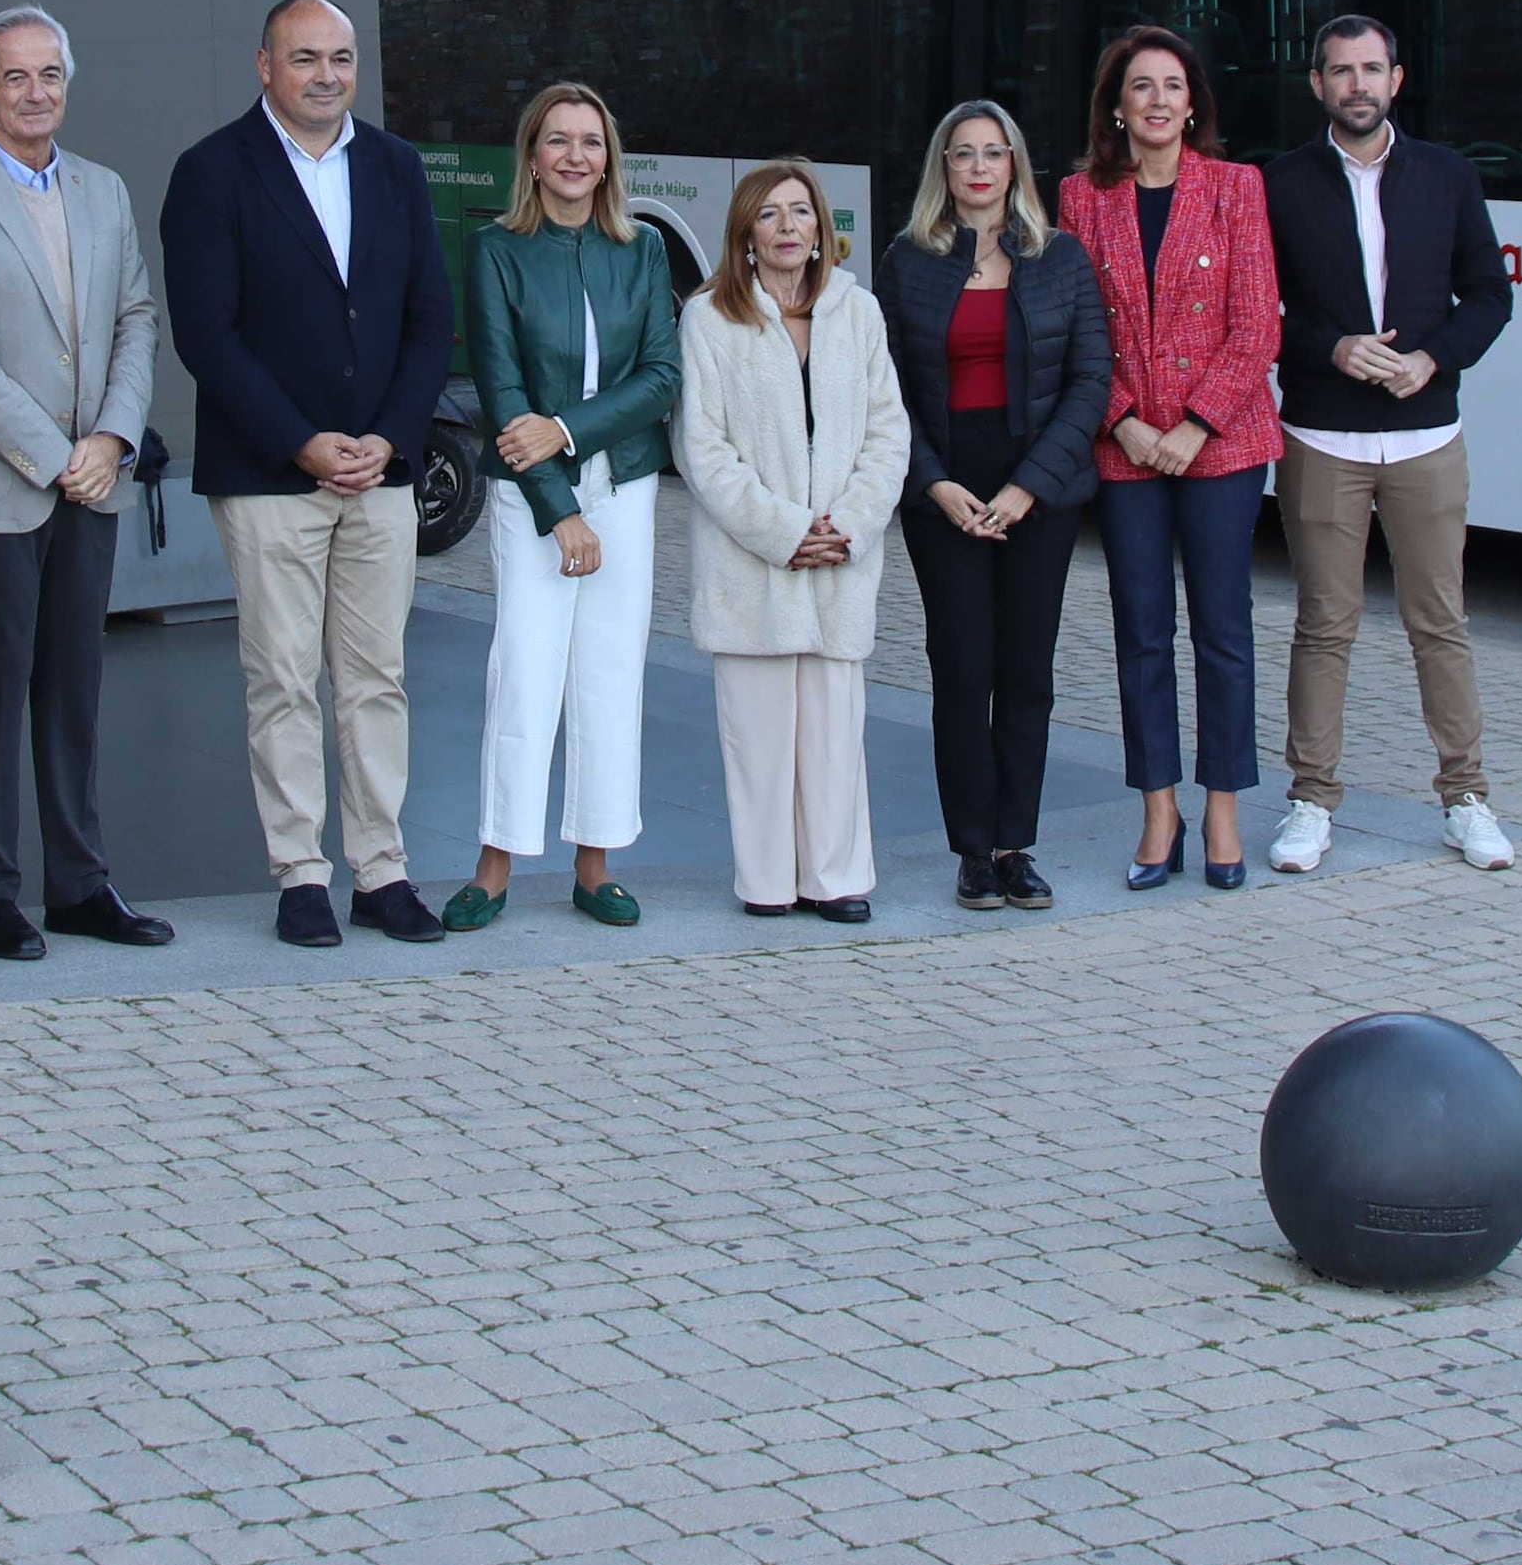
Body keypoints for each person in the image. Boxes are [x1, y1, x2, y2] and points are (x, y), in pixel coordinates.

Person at [161, 0, 455, 950]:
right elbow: (208, 333)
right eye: (304, 58)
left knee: (377, 676)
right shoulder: (211, 172)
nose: (325, 74)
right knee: (283, 677)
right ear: (263, 66)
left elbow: (426, 317)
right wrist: (301, 441)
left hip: (381, 471)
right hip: (270, 473)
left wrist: (391, 436)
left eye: (340, 57)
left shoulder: (396, 165)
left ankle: (382, 869)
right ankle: (301, 874)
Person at [0, 5, 173, 961]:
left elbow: (137, 317)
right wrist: (57, 454)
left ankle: (79, 883)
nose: (34, 92)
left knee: (73, 690)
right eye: (14, 77)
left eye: (50, 74)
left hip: (92, 480)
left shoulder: (104, 189)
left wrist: (112, 437)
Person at [1262, 14, 1520, 879]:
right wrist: (1330, 347)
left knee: (1439, 622)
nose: (1358, 85)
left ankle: (1466, 796)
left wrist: (1432, 357)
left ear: (1396, 80)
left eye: (1372, 69)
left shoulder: (1446, 175)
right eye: (1341, 71)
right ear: (1317, 84)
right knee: (1324, 626)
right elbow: (1261, 316)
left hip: (1426, 436)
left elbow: (1489, 293)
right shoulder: (1280, 183)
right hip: (1321, 435)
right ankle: (1310, 799)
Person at [1058, 24, 1281, 895]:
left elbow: (1257, 319)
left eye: (1173, 86)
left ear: (1195, 105)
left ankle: (1222, 804)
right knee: (1141, 634)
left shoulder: (1236, 187)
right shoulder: (1083, 197)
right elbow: (1078, 327)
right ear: (1116, 105)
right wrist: (1123, 423)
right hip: (1126, 451)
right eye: (1140, 86)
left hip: (1221, 446)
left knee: (1223, 631)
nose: (1157, 100)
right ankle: (1160, 810)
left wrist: (1194, 423)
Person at [451, 81, 677, 932]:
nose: (576, 155)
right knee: (526, 668)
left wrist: (565, 431)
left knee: (611, 672)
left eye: (591, 140)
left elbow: (661, 376)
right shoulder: (496, 247)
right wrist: (558, 507)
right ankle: (496, 864)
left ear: (608, 156)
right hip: (527, 489)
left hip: (624, 477)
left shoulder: (643, 248)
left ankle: (596, 863)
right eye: (558, 140)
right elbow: (500, 384)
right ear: (532, 156)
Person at [874, 99, 1108, 915]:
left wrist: (1027, 487)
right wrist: (934, 483)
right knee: (963, 667)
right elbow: (887, 388)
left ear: (1016, 166)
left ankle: (1017, 844)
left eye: (993, 152)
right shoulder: (907, 259)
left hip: (1035, 490)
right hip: (945, 490)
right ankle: (974, 849)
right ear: (944, 168)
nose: (978, 167)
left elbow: (1089, 383)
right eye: (962, 153)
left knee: (1027, 672)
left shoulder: (1062, 258)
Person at [675, 161, 908, 922]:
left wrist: (849, 522)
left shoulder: (859, 312)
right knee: (759, 739)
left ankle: (836, 878)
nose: (787, 226)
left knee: (836, 736)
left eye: (800, 212)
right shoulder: (709, 317)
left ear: (821, 228)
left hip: (841, 555)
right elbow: (700, 447)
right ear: (745, 232)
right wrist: (782, 529)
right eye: (769, 214)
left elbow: (888, 431)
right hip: (752, 567)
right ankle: (769, 883)